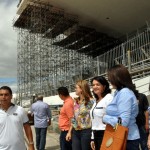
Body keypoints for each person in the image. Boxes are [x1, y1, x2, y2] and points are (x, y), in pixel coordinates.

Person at [103, 64, 140, 150]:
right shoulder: (119, 93)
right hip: (122, 137)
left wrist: (105, 118)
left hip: (127, 139)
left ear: (117, 78)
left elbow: (123, 122)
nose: (109, 81)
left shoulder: (124, 93)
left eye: (110, 78)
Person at [0, 86, 35, 150]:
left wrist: (31, 144)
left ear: (11, 96)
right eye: (1, 95)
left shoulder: (20, 110)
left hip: (20, 148)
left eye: (6, 95)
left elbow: (27, 127)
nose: (3, 97)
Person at [69, 80, 94, 150]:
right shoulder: (76, 102)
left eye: (76, 88)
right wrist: (69, 132)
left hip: (86, 131)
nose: (75, 89)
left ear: (82, 89)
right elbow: (74, 118)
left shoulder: (91, 101)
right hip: (75, 131)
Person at [90, 76, 113, 150]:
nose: (95, 87)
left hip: (106, 133)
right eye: (93, 85)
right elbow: (94, 122)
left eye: (98, 84)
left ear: (104, 86)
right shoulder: (96, 100)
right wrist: (92, 138)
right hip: (96, 134)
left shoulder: (109, 98)